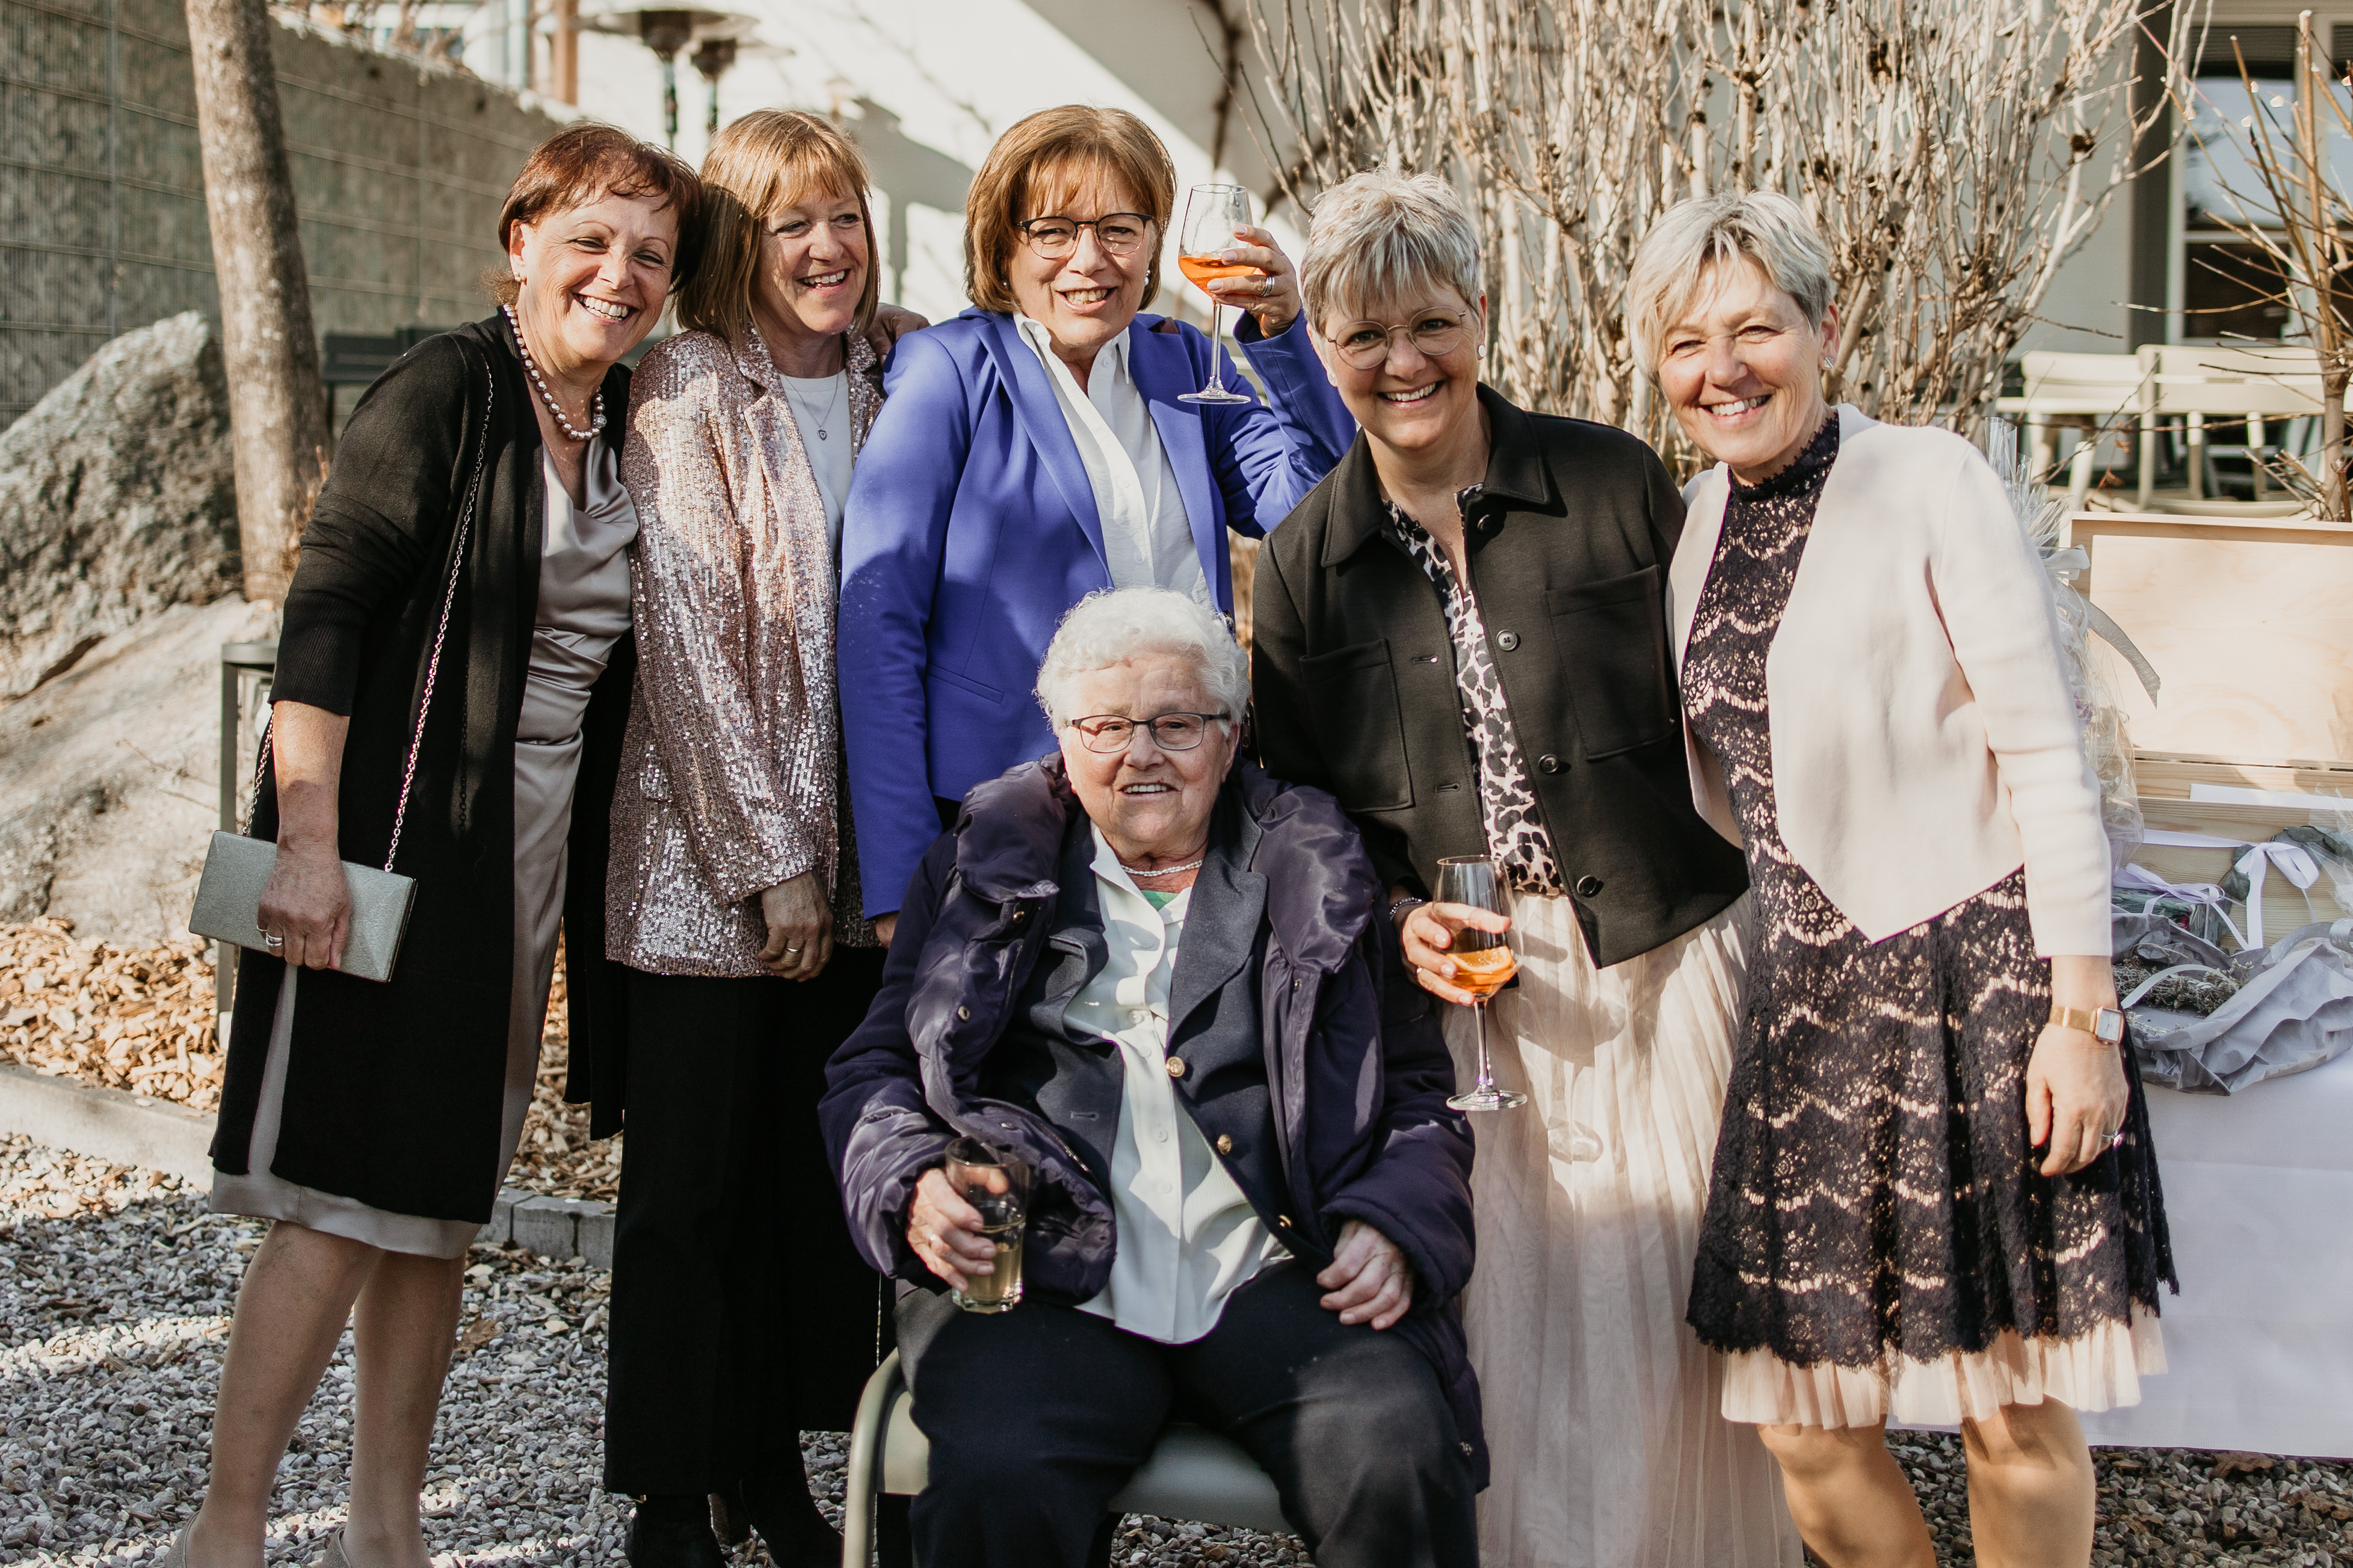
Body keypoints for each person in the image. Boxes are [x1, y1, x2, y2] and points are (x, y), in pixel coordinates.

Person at [1251, 171, 1799, 1567]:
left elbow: (1742, 707)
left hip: (1667, 961)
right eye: (1365, 334)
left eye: (1431, 322)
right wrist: (1394, 915)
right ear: (1322, 344)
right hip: (1470, 1004)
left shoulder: (1614, 481)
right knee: (1512, 1325)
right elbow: (1302, 817)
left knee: (1673, 1322)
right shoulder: (1310, 559)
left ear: (1483, 314)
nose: (1404, 361)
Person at [175, 126, 695, 1568]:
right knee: (340, 1198)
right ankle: (226, 1528)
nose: (620, 274)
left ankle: (385, 1531)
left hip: (519, 866)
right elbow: (327, 607)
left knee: (435, 1203)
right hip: (396, 841)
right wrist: (307, 843)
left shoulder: (629, 413)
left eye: (650, 254)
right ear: (520, 240)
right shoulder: (448, 387)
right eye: (590, 239)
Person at [1632, 189, 2176, 1568]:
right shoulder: (1694, 519)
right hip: (1806, 1002)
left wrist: (2083, 1015)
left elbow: (2046, 752)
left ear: (1825, 330)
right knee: (1802, 1415)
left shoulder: (1930, 478)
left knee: (2012, 1406)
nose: (1723, 368)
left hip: (1979, 978)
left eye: (1756, 329)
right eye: (1687, 343)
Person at [820, 588, 1482, 1568]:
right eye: (1105, 726)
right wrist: (911, 1183)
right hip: (1042, 1272)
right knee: (999, 1478)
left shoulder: (1314, 866)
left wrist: (1396, 1220)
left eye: (1177, 724)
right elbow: (873, 1068)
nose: (1141, 755)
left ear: (1230, 735)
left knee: (1400, 1456)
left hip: (1274, 1264)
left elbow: (1420, 1089)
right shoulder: (980, 863)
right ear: (1062, 739)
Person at [600, 109, 927, 1568]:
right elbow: (684, 641)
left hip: (859, 879)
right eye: (794, 221)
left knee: (812, 1192)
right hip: (706, 872)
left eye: (845, 214)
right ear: (742, 239)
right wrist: (769, 862)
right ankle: (676, 1496)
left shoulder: (893, 377)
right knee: (691, 1195)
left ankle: (783, 1472)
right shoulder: (683, 384)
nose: (828, 245)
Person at [837, 104, 1355, 944]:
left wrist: (1282, 336)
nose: (1090, 260)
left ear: (1153, 243)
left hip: (1190, 803)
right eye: (1053, 231)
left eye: (1120, 228)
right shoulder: (949, 371)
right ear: (1002, 245)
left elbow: (1317, 510)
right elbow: (877, 623)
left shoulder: (1185, 359)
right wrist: (900, 878)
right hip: (1010, 812)